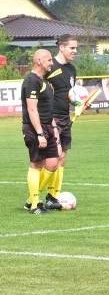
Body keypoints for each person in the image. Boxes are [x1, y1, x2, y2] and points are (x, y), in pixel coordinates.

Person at [22, 49, 61, 213]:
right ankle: (35, 204)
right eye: (49, 60)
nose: (52, 63)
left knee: (53, 164)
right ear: (39, 61)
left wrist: (53, 128)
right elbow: (32, 110)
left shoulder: (43, 80)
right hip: (34, 128)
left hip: (48, 126)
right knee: (37, 164)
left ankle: (31, 199)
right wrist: (39, 133)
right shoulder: (31, 81)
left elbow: (46, 108)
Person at [44, 34, 78, 206]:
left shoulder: (72, 70)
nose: (75, 51)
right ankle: (34, 196)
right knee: (54, 159)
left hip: (65, 117)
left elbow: (70, 94)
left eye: (76, 48)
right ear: (62, 47)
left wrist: (78, 103)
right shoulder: (49, 66)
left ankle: (53, 197)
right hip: (51, 118)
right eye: (72, 48)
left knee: (62, 157)